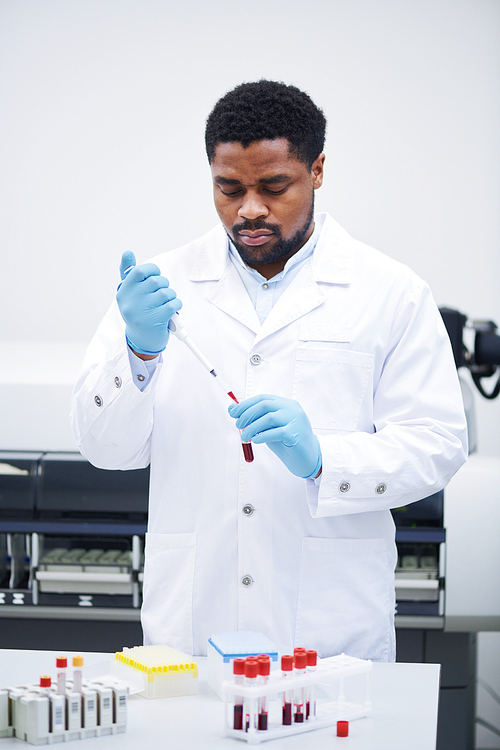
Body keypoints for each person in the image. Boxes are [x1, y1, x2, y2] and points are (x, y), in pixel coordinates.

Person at [71, 80, 467, 661]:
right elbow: (105, 448)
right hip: (192, 635)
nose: (249, 208)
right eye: (228, 188)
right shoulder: (161, 286)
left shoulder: (391, 293)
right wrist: (138, 353)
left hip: (330, 639)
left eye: (273, 187)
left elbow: (438, 445)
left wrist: (325, 459)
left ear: (318, 169)